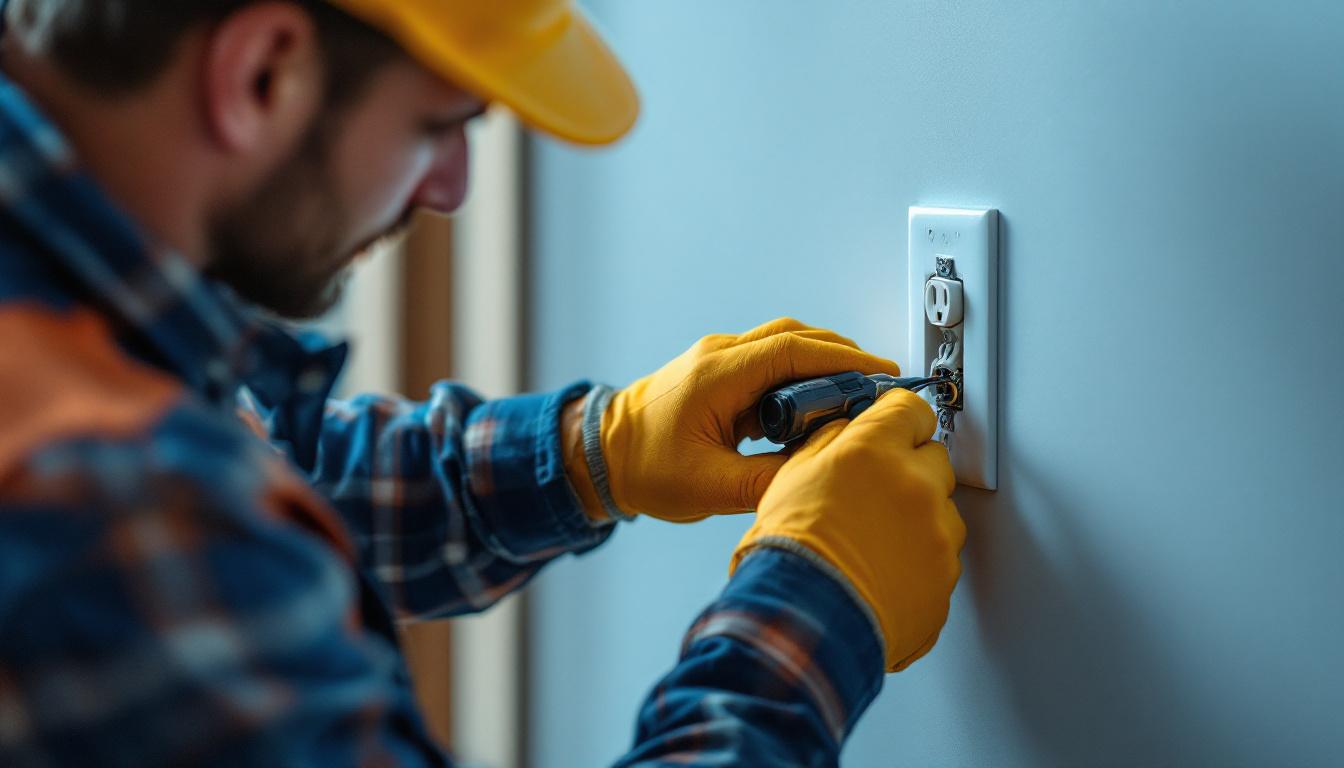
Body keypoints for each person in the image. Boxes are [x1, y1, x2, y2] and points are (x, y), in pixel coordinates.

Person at [0, 0, 966, 764]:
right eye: (438, 127)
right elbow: (189, 524)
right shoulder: (111, 499)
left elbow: (263, 475)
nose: (451, 187)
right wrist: (813, 612)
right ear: (264, 73)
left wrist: (597, 450)